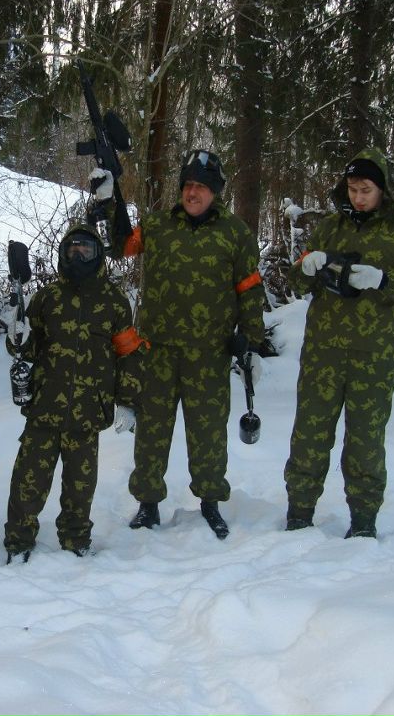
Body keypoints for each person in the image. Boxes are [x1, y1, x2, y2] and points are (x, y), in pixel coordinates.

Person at [92, 150, 265, 540]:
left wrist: (250, 342)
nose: (192, 193)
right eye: (188, 185)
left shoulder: (235, 234)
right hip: (156, 350)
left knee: (208, 434)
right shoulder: (157, 227)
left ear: (215, 192)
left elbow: (250, 289)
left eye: (201, 186)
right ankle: (148, 504)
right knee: (152, 430)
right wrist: (109, 200)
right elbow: (121, 246)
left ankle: (210, 501)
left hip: (210, 353)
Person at [284, 147, 394, 539]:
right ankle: (299, 512)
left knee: (365, 440)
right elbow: (297, 282)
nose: (358, 197)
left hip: (375, 356)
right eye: (352, 189)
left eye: (366, 189)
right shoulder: (330, 227)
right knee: (309, 435)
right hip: (323, 352)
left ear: (381, 189)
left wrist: (384, 281)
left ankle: (363, 521)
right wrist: (306, 267)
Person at [3, 223, 145, 564]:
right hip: (44, 408)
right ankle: (19, 540)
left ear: (97, 256)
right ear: (63, 255)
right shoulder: (47, 298)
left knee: (80, 486)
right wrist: (15, 331)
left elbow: (128, 354)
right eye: (72, 250)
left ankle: (76, 538)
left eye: (86, 250)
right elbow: (23, 348)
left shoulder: (113, 301)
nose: (78, 256)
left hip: (88, 412)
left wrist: (128, 401)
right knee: (28, 481)